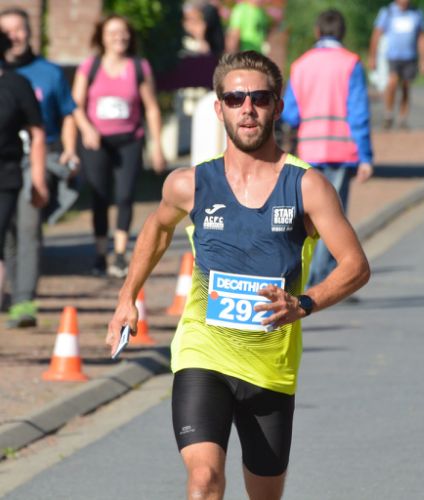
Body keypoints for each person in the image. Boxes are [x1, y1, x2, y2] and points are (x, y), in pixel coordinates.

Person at [107, 51, 370, 499]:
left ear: (277, 106)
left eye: (259, 98)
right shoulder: (190, 183)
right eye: (235, 98)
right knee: (204, 480)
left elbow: (356, 265)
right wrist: (126, 296)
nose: (247, 108)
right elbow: (157, 227)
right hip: (203, 353)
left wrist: (304, 303)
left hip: (270, 370)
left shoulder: (306, 186)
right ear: (219, 108)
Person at [281, 9, 373, 288]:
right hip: (342, 150)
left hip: (309, 149)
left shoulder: (301, 65)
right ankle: (321, 278)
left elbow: (290, 113)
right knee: (333, 216)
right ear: (342, 33)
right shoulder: (350, 63)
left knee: (309, 215)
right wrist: (366, 156)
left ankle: (309, 274)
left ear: (317, 32)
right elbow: (358, 113)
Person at [0, 7, 79, 328]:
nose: (14, 36)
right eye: (7, 32)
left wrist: (69, 149)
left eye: (19, 29)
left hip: (37, 156)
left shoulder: (48, 72)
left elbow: (67, 113)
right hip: (6, 159)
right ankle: (12, 292)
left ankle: (24, 300)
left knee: (28, 226)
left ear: (30, 31)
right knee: (7, 234)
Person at [72, 14, 166, 278]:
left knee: (125, 196)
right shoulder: (90, 66)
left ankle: (121, 255)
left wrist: (157, 146)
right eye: (113, 32)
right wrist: (87, 128)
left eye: (123, 32)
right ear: (102, 37)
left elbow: (151, 108)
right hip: (97, 141)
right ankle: (100, 253)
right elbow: (75, 104)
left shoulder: (139, 67)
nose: (119, 37)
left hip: (129, 140)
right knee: (100, 196)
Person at [0, 31, 47, 312]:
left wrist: (38, 181)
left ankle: (21, 298)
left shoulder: (16, 85)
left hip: (5, 175)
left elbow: (37, 134)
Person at [369, 0, 424, 129]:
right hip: (393, 56)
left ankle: (403, 118)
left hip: (410, 56)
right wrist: (372, 56)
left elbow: (421, 37)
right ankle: (388, 114)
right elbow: (377, 34)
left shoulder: (416, 13)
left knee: (406, 86)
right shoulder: (387, 12)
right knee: (392, 83)